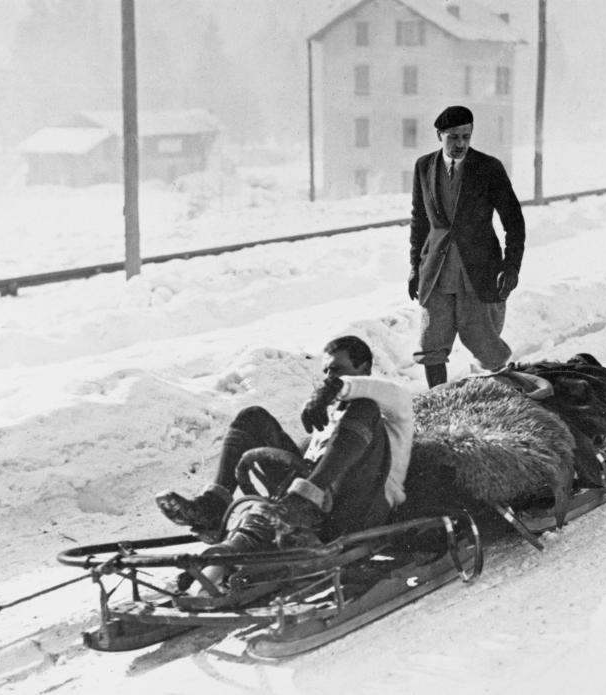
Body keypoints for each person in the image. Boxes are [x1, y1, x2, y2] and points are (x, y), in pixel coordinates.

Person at [155, 336, 413, 550]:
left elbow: (369, 393)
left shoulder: (392, 403)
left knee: (364, 407)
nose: (328, 378)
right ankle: (213, 508)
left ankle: (302, 501)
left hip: (362, 512)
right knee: (253, 418)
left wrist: (332, 389)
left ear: (364, 369)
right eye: (325, 372)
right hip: (312, 509)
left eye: (336, 370)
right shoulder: (334, 416)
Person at [408, 105, 525, 389]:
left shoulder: (488, 168)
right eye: (453, 137)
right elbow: (419, 220)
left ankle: (504, 399)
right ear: (440, 135)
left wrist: (511, 268)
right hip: (436, 271)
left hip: (479, 271)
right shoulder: (424, 166)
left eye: (466, 136)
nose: (460, 144)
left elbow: (514, 221)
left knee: (484, 341)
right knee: (431, 342)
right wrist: (414, 267)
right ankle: (438, 400)